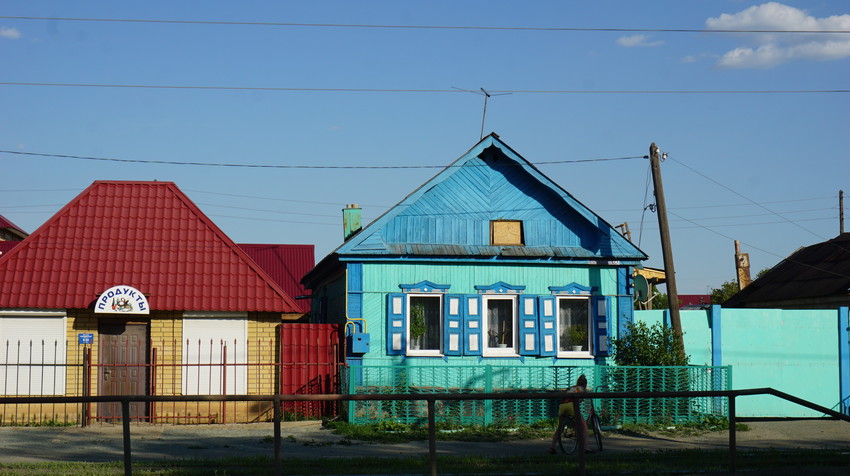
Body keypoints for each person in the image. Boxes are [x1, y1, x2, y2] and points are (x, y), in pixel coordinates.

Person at [548, 374, 591, 454]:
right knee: (583, 426)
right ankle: (586, 448)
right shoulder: (582, 389)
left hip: (562, 406)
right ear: (585, 384)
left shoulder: (571, 388)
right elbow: (581, 399)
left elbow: (563, 394)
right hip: (572, 406)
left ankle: (552, 447)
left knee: (560, 428)